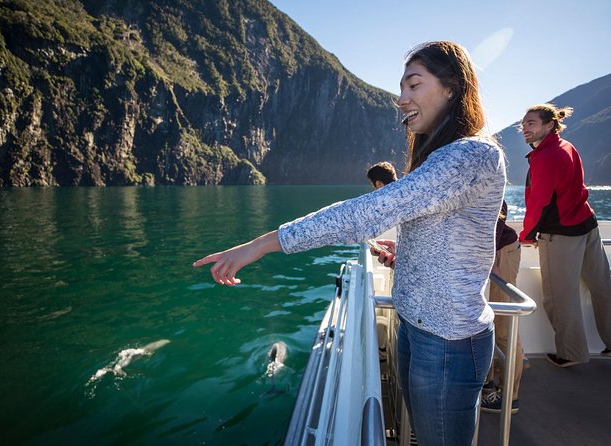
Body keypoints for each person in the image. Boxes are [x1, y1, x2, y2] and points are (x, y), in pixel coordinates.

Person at [194, 41, 506, 445]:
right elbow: (444, 231)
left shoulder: (471, 155)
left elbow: (369, 213)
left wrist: (260, 245)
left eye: (413, 85)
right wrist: (409, 256)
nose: (401, 99)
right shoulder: (442, 156)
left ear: (452, 87)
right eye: (401, 88)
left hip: (447, 342)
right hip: (418, 326)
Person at [519, 104, 611, 367]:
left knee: (560, 297)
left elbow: (539, 203)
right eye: (523, 123)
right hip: (587, 224)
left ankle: (571, 353)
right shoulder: (567, 146)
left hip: (562, 234)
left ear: (549, 126)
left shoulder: (546, 157)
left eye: (531, 123)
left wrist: (527, 235)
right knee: (603, 287)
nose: (525, 128)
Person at [481, 200, 524, 414]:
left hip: (501, 254)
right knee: (492, 325)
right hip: (492, 256)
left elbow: (499, 215)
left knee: (504, 328)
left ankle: (509, 397)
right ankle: (490, 383)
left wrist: (492, 265)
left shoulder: (490, 184)